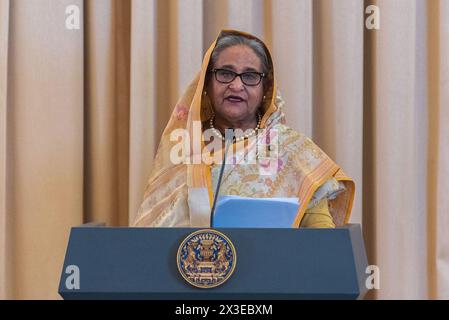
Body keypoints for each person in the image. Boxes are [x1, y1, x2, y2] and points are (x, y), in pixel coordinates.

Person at [132, 30, 355, 228]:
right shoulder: (184, 146)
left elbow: (320, 233)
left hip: (272, 271)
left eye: (250, 76)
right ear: (207, 83)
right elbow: (154, 230)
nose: (236, 85)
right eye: (226, 73)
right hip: (189, 271)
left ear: (266, 87)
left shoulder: (294, 150)